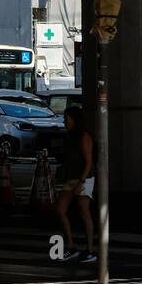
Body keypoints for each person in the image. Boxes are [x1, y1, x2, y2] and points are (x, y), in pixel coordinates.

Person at [55, 106, 96, 267]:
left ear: (74, 120)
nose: (64, 122)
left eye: (67, 119)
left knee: (83, 211)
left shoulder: (84, 137)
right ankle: (71, 246)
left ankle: (90, 250)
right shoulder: (70, 136)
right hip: (71, 177)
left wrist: (81, 182)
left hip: (84, 177)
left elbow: (89, 162)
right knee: (60, 209)